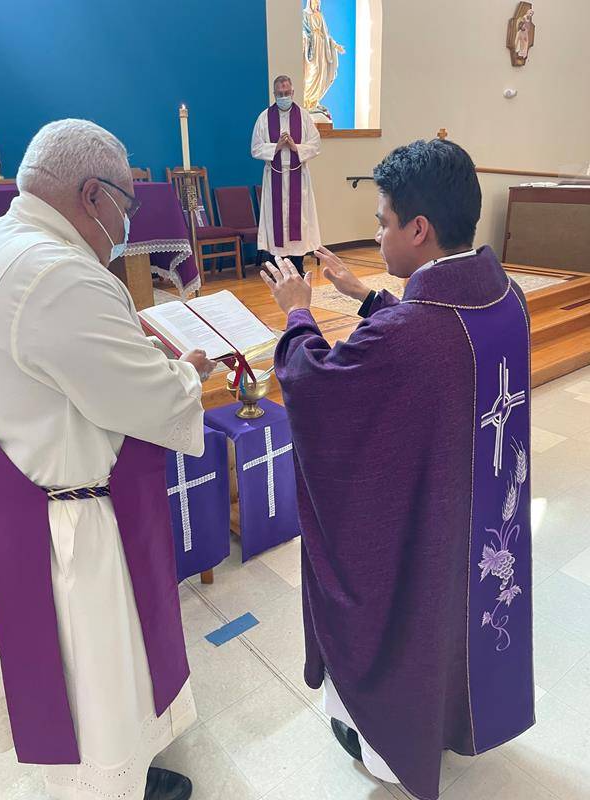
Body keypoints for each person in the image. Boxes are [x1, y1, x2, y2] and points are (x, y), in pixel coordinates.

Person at [260, 139, 534, 800]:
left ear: (419, 229)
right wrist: (366, 297)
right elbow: (438, 352)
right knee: (465, 614)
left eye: (382, 222)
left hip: (432, 530)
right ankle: (458, 717)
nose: (376, 236)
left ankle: (390, 750)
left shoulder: (415, 331)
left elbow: (318, 383)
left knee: (407, 611)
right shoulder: (507, 298)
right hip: (483, 515)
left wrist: (297, 312)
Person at [0, 119, 217, 800]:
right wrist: (188, 373)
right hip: (75, 520)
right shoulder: (60, 276)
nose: (128, 221)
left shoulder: (5, 241)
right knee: (100, 680)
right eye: (127, 202)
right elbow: (144, 400)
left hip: (25, 493)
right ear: (93, 195)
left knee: (78, 680)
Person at [251, 75, 322, 276]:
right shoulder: (264, 117)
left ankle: (298, 264)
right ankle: (278, 265)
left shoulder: (304, 117)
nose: (283, 97)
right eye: (279, 94)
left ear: (292, 92)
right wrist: (277, 146)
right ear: (274, 94)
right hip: (274, 176)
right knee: (277, 220)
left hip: (297, 177)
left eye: (286, 93)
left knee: (298, 219)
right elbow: (255, 148)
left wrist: (294, 146)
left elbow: (316, 145)